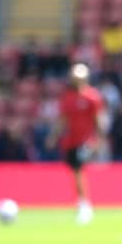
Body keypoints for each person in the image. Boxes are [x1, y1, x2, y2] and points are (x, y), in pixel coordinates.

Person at [47, 63, 107, 225]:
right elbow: (62, 120)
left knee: (78, 168)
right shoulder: (68, 98)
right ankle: (82, 202)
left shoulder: (92, 97)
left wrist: (101, 139)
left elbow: (98, 119)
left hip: (86, 141)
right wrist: (54, 136)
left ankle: (84, 205)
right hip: (71, 141)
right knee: (75, 170)